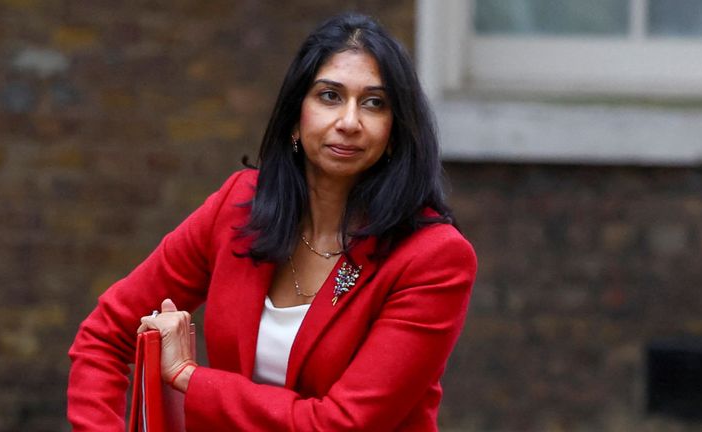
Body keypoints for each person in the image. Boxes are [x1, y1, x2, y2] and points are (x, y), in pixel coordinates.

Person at [67, 12, 476, 431]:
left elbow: (339, 424)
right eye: (330, 96)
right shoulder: (239, 207)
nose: (349, 122)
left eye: (374, 103)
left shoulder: (432, 258)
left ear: (395, 131)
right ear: (296, 116)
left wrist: (190, 378)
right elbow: (104, 335)